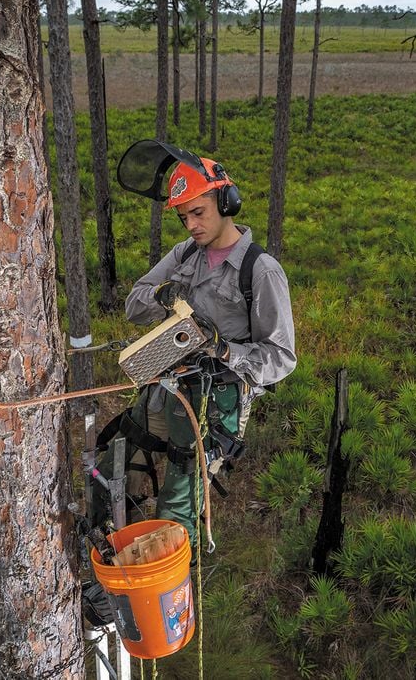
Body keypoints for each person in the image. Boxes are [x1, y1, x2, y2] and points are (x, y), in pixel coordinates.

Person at [93, 147, 297, 550]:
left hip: (214, 405)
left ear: (226, 202)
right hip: (164, 387)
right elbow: (135, 304)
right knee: (118, 468)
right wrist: (164, 293)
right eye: (182, 215)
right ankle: (116, 558)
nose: (190, 224)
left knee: (177, 510)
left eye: (198, 212)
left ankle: (169, 596)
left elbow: (281, 358)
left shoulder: (261, 271)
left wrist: (226, 352)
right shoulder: (186, 254)